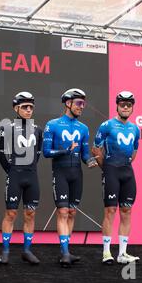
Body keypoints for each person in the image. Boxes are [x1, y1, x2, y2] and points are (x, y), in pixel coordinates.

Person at [43, 88, 97, 267]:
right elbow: (46, 152)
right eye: (79, 103)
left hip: (77, 175)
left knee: (72, 212)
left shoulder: (84, 128)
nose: (82, 107)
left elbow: (84, 154)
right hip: (60, 173)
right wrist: (66, 150)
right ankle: (65, 253)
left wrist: (90, 160)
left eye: (83, 104)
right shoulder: (53, 124)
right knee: (62, 211)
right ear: (68, 103)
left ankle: (66, 250)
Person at [92, 91, 140, 265]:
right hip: (111, 170)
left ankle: (122, 253)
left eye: (128, 105)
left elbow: (134, 151)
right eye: (122, 104)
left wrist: (124, 164)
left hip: (127, 172)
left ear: (132, 107)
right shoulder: (107, 125)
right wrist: (106, 168)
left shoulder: (135, 128)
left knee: (126, 211)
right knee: (110, 211)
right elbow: (95, 149)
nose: (125, 107)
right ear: (117, 106)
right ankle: (106, 252)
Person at [0, 92, 43, 265]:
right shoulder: (7, 127)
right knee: (11, 213)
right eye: (25, 107)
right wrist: (11, 170)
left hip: (31, 176)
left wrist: (29, 168)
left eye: (31, 107)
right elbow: (1, 153)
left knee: (30, 214)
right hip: (15, 175)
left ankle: (26, 250)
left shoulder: (38, 130)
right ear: (16, 108)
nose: (29, 110)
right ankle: (6, 251)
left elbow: (37, 154)